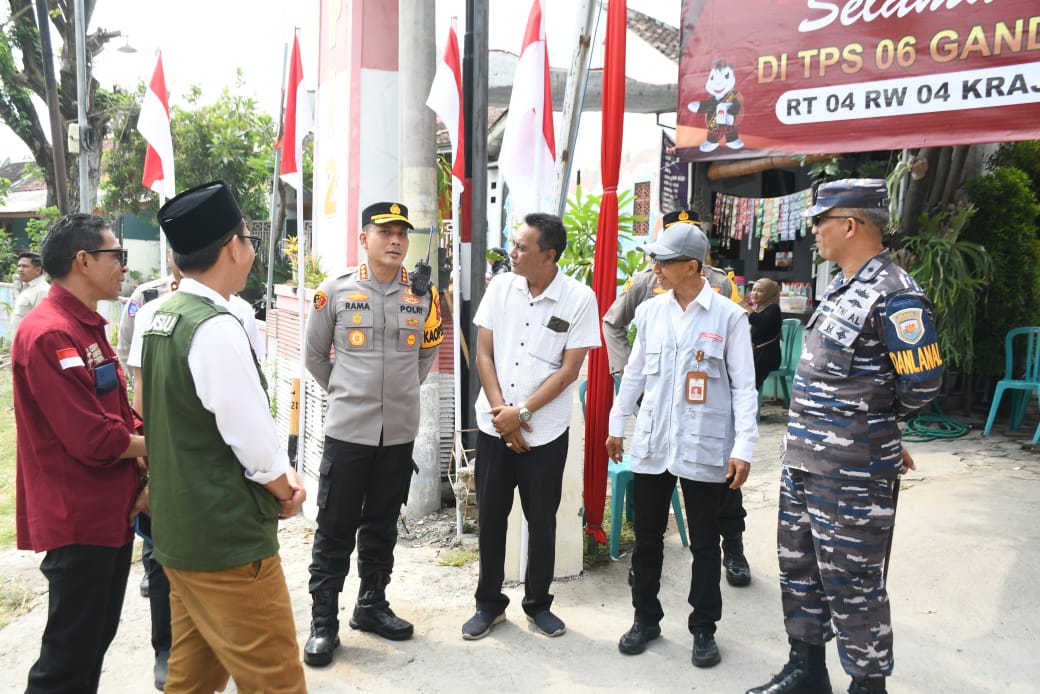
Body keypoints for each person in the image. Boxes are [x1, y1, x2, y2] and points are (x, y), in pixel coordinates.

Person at [747, 180, 943, 694]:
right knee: (800, 569)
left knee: (853, 584)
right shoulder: (841, 288)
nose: (814, 231)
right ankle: (807, 671)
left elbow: (923, 384)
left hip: (853, 474)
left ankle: (867, 685)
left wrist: (874, 427)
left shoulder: (896, 294)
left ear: (850, 225)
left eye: (820, 221)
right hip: (806, 463)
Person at [142, 180, 306, 693]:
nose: (253, 253)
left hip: (180, 535)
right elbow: (252, 438)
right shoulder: (214, 326)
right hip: (227, 542)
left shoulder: (160, 318)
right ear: (233, 246)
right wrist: (286, 488)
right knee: (276, 680)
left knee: (192, 678)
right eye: (250, 241)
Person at [606, 221, 758, 667]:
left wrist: (744, 446)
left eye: (662, 260)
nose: (654, 266)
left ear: (691, 267)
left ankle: (703, 628)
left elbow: (745, 388)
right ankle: (645, 618)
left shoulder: (729, 317)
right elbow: (634, 373)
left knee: (706, 543)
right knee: (648, 538)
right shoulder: (651, 312)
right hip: (655, 441)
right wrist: (618, 424)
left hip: (704, 443)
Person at [302, 201, 443, 666]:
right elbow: (315, 357)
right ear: (364, 238)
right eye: (385, 232)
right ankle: (324, 623)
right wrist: (351, 393)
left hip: (398, 434)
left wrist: (396, 396)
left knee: (382, 525)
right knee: (335, 528)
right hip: (349, 433)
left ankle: (372, 605)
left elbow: (425, 356)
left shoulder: (423, 294)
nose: (397, 241)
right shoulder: (335, 292)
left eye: (402, 232)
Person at [12, 214, 148, 692]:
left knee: (91, 649)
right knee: (66, 662)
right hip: (79, 520)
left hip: (109, 514)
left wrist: (142, 445)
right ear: (84, 261)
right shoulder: (51, 333)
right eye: (117, 256)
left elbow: (116, 413)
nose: (124, 268)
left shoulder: (87, 327)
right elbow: (91, 437)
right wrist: (162, 449)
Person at [124, 252, 266, 691]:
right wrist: (150, 456)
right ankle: (164, 648)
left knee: (212, 584)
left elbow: (251, 387)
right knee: (163, 564)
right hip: (176, 467)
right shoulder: (151, 308)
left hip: (225, 474)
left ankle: (192, 656)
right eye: (243, 241)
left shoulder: (241, 312)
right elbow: (141, 387)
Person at [461, 212, 601, 641]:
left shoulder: (578, 298)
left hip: (546, 432)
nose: (513, 252)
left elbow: (569, 371)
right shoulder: (501, 286)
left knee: (543, 520)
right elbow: (484, 353)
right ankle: (489, 604)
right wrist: (504, 416)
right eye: (513, 243)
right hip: (494, 427)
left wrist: (521, 414)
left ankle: (538, 603)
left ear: (549, 254)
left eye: (522, 247)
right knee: (492, 518)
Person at [743, 277, 783, 390]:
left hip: (768, 356)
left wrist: (748, 309)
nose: (755, 293)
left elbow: (760, 324)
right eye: (754, 289)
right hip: (758, 353)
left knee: (747, 375)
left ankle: (748, 400)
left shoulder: (773, 309)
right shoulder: (758, 308)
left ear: (769, 293)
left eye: (760, 291)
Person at [11, 250, 49, 334]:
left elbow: (42, 323)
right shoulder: (27, 288)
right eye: (19, 266)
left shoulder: (42, 290)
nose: (20, 269)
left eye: (24, 266)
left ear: (38, 270)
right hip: (19, 343)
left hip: (29, 344)